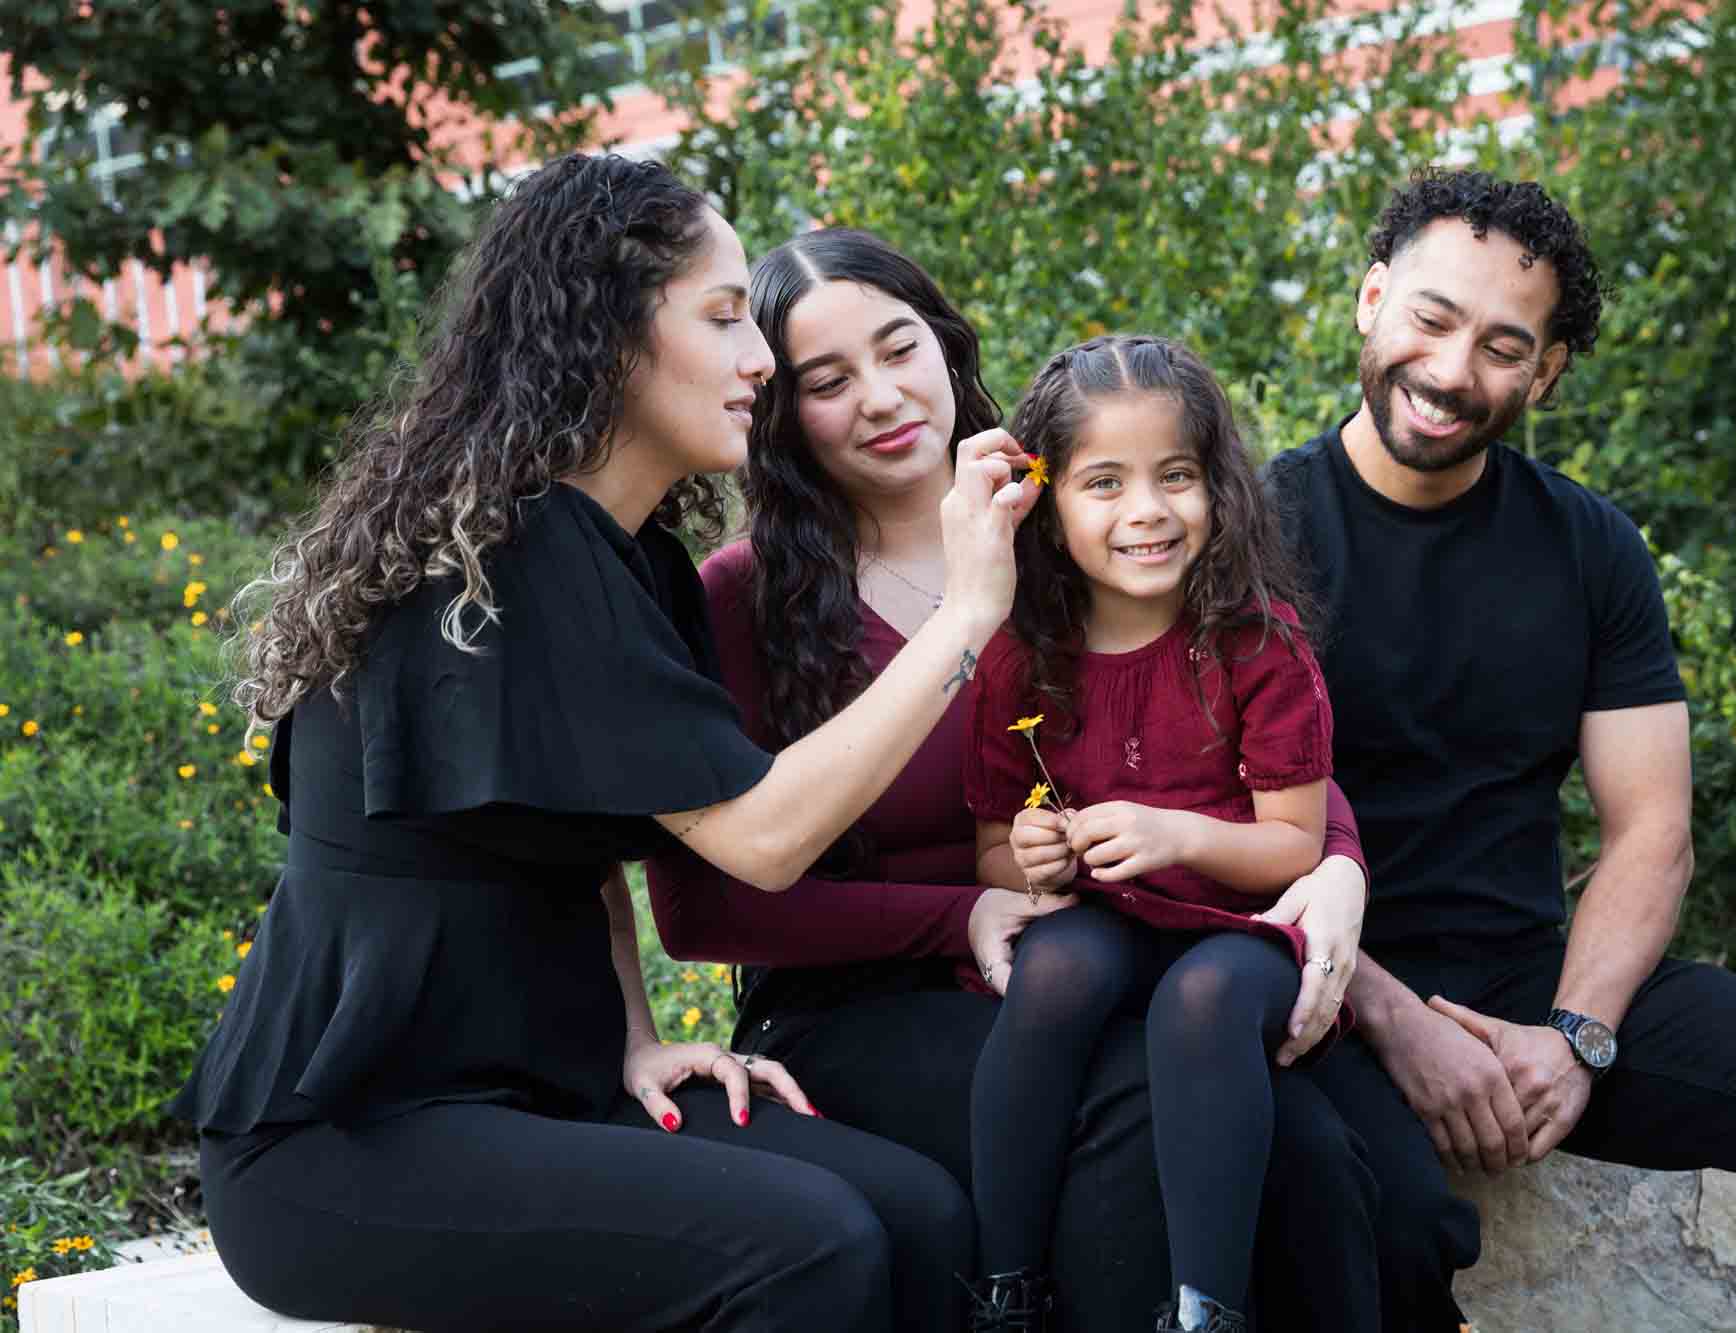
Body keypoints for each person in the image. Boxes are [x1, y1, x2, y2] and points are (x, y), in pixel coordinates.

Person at [172, 153, 1042, 1333]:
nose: (762, 362)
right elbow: (768, 838)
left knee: (922, 1213)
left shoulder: (628, 561)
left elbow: (578, 843)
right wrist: (968, 612)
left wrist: (635, 1037)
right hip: (349, 1136)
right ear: (610, 330)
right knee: (810, 1248)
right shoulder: (512, 553)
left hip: (552, 1088)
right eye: (725, 318)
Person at [1265, 165, 1736, 1332]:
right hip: (1314, 990)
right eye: (1430, 319)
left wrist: (1574, 1039)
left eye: (1500, 345)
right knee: (1381, 1221)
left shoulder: (1588, 545)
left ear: (1543, 372)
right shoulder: (1253, 533)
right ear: (1370, 300)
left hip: (1526, 979)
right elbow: (1212, 832)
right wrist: (1388, 1017)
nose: (1448, 371)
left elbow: (1650, 831)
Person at [645, 229, 1378, 1333]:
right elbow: (702, 907)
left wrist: (1337, 867)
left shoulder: (1073, 515)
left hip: (1115, 948)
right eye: (827, 381)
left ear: (943, 343)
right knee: (1131, 1110)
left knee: (1313, 1144)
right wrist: (964, 911)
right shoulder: (744, 597)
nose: (883, 397)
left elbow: (1236, 716)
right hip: (867, 1003)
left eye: (898, 348)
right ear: (779, 410)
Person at [960, 334, 1377, 1333]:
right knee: (1057, 967)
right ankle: (1005, 1288)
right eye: (1102, 482)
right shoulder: (1022, 656)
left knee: (1200, 997)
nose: (1145, 510)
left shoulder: (1256, 641)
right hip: (1106, 923)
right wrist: (1036, 856)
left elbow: (1293, 847)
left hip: (1241, 931)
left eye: (1174, 476)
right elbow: (988, 853)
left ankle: (1204, 1310)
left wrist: (1172, 833)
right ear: (1048, 507)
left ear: (1218, 489)